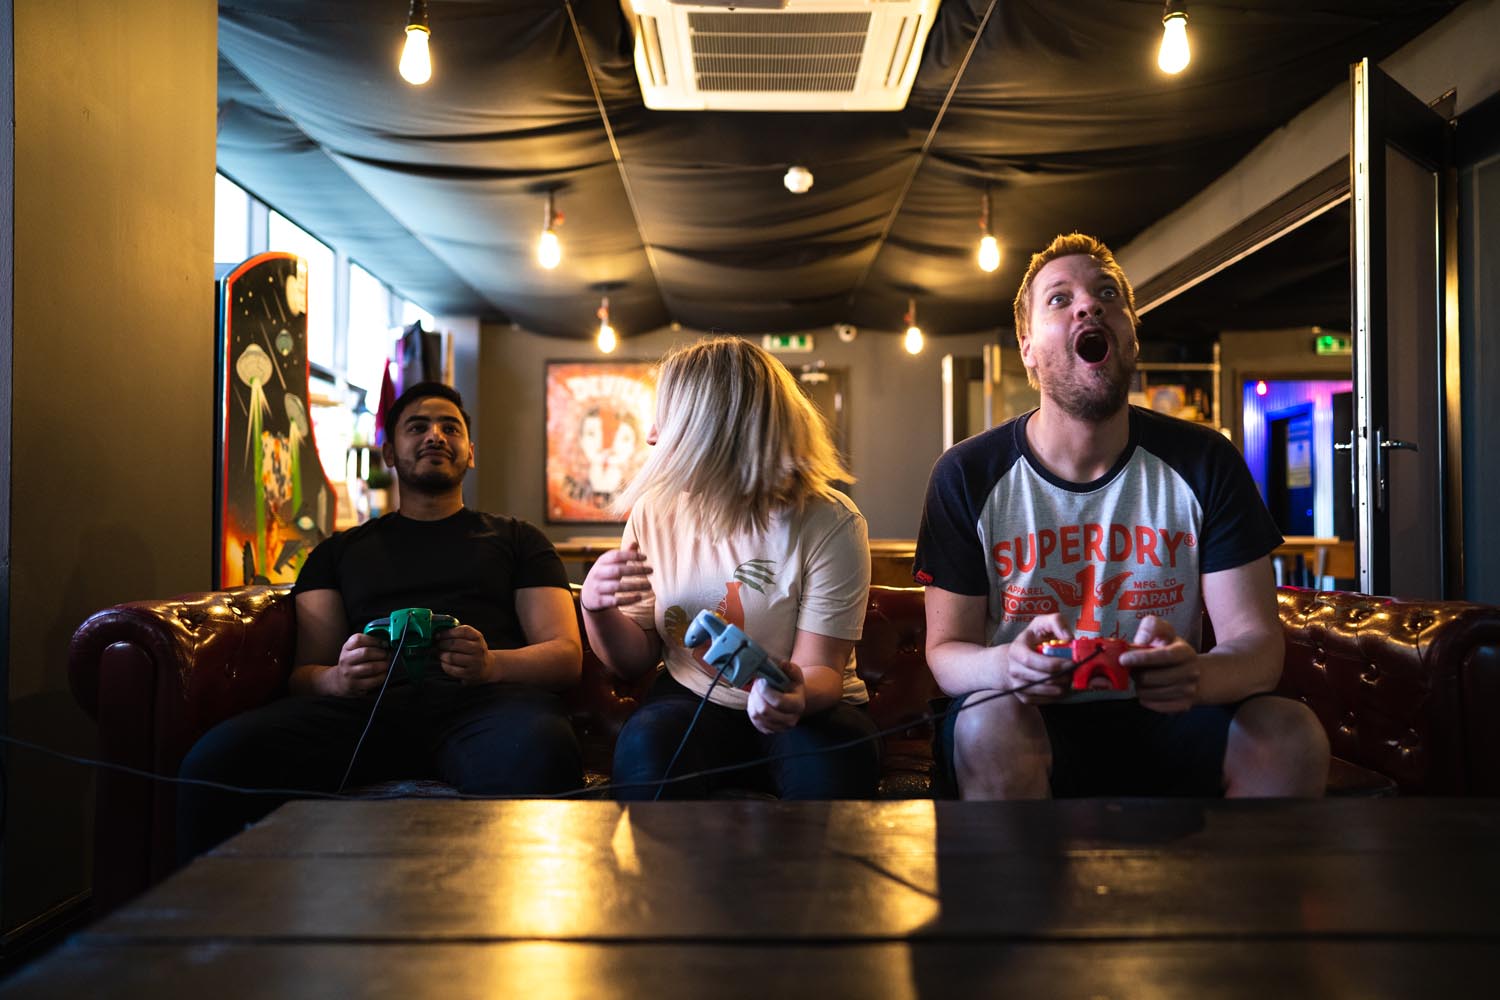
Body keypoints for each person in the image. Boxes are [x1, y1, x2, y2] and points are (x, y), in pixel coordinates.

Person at [915, 233, 1330, 800]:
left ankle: (1236, 893)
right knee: (989, 722)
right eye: (1059, 299)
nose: (1089, 304)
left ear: (1131, 333)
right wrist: (1009, 665)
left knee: (1290, 734)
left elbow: (1257, 647)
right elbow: (946, 653)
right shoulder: (966, 473)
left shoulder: (1206, 461)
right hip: (1029, 718)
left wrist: (1196, 674)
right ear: (1027, 347)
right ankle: (1015, 892)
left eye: (1106, 294)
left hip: (1165, 715)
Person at [177, 382, 583, 858]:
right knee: (217, 759)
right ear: (390, 452)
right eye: (418, 427)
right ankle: (210, 927)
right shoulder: (337, 552)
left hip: (487, 707)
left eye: (450, 427)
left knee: (545, 750)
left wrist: (492, 665)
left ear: (470, 452)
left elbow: (565, 656)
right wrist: (339, 678)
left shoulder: (519, 540)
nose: (435, 435)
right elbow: (305, 674)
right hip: (360, 713)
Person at [580, 337, 880, 800]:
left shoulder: (831, 520)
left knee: (829, 775)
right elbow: (633, 659)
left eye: (667, 418)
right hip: (690, 697)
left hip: (806, 705)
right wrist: (596, 609)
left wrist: (795, 695)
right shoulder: (652, 512)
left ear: (714, 429)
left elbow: (820, 667)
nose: (652, 435)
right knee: (647, 753)